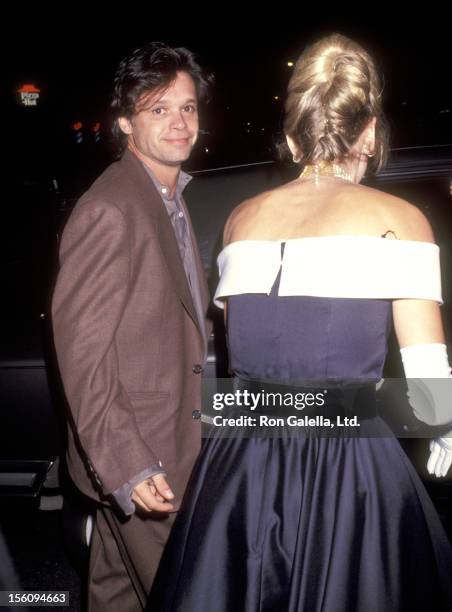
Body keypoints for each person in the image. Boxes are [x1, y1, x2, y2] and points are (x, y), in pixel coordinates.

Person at [150, 34, 452, 611]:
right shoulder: (401, 219)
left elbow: (246, 357)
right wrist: (444, 428)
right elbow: (429, 382)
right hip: (349, 463)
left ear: (291, 139)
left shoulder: (241, 220)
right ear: (369, 132)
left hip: (241, 458)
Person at [51, 42, 212, 611]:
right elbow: (82, 354)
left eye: (187, 107)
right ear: (125, 123)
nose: (179, 122)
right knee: (186, 592)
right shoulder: (112, 208)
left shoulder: (167, 196)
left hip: (158, 441)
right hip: (143, 456)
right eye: (159, 109)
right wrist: (128, 463)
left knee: (117, 594)